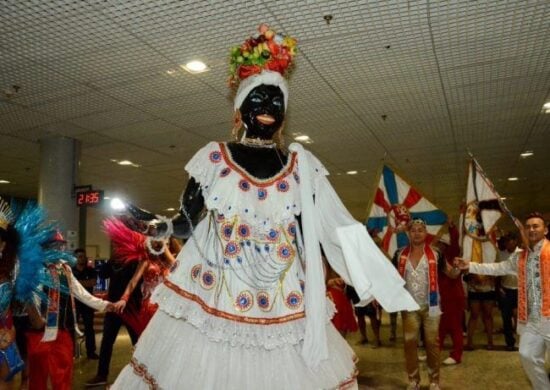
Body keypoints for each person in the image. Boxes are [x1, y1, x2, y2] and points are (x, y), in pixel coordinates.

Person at [111, 24, 418, 389]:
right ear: (240, 108)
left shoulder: (302, 166)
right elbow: (187, 222)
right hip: (215, 297)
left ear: (285, 114)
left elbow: (331, 229)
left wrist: (368, 277)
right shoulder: (214, 157)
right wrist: (158, 227)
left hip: (283, 302)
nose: (268, 107)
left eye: (277, 101)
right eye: (259, 98)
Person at [457, 212, 550, 389]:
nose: (531, 229)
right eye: (528, 226)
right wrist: (469, 265)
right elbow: (498, 268)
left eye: (536, 226)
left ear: (545, 230)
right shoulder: (520, 256)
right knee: (526, 354)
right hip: (531, 318)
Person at [25, 233, 114, 390]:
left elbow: (81, 293)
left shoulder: (66, 269)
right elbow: (32, 296)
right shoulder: (37, 267)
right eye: (56, 245)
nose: (61, 248)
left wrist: (105, 305)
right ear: (47, 247)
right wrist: (37, 319)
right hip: (40, 333)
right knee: (38, 376)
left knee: (64, 375)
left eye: (62, 245)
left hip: (63, 331)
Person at [392, 219, 461, 390]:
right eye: (413, 230)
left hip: (431, 306)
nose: (417, 233)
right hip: (409, 308)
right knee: (410, 343)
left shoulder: (436, 254)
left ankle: (434, 382)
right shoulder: (399, 254)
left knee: (432, 343)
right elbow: (390, 276)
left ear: (426, 233)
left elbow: (451, 274)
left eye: (420, 230)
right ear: (409, 233)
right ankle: (413, 380)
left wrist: (459, 267)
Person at [0, 199, 23, 389]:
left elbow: (7, 307)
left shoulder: (9, 270)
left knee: (8, 379)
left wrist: (9, 329)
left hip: (5, 336)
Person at [436, 222, 464, 365]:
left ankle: (456, 355)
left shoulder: (451, 255)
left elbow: (455, 243)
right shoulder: (439, 258)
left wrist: (452, 227)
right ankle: (435, 351)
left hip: (453, 297)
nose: (438, 245)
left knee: (454, 327)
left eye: (440, 243)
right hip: (443, 298)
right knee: (440, 327)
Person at [72, 248, 99, 359]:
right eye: (79, 256)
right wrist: (84, 284)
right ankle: (72, 351)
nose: (81, 258)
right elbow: (70, 285)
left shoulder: (91, 270)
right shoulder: (71, 271)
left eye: (83, 256)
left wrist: (76, 283)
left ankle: (91, 352)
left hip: (87, 303)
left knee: (89, 328)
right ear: (75, 258)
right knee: (72, 327)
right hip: (74, 303)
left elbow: (92, 282)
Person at [496, 233, 520, 351]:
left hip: (519, 290)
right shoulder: (501, 254)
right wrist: (499, 288)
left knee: (520, 317)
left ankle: (522, 341)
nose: (508, 243)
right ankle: (509, 342)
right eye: (506, 241)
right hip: (505, 289)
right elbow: (497, 272)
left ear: (515, 241)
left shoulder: (522, 253)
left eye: (510, 241)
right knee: (506, 317)